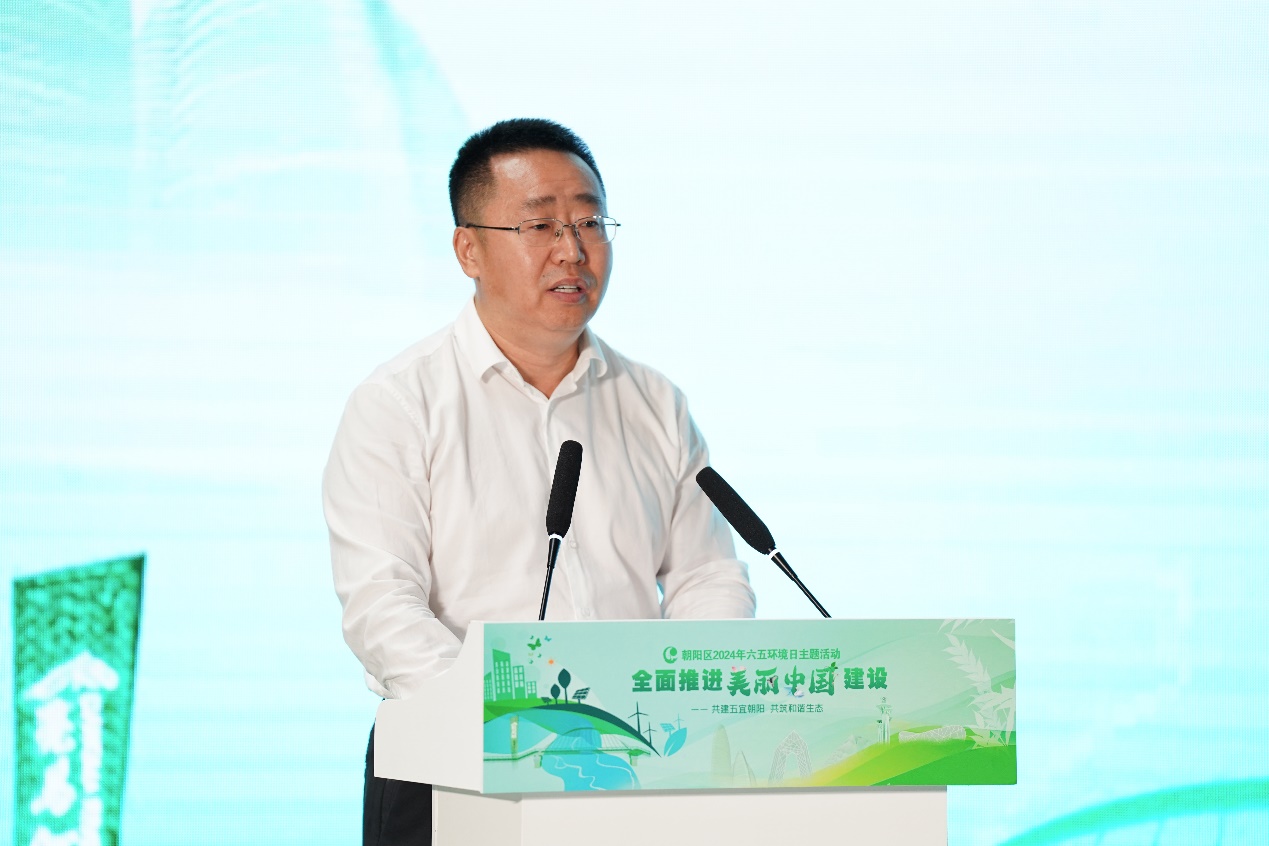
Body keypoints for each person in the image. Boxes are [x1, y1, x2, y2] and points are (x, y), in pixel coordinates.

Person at [323, 118, 755, 845]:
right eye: (540, 225)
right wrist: (508, 728)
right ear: (468, 249)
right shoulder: (398, 402)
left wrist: (686, 699)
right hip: (452, 766)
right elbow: (381, 606)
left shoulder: (654, 403)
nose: (572, 250)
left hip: (635, 764)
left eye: (589, 222)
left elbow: (706, 574)